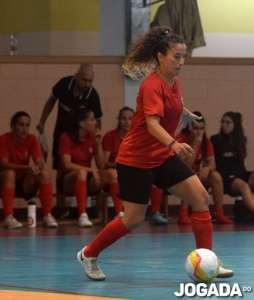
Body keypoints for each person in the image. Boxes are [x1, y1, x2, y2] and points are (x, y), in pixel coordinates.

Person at [76, 26, 233, 281]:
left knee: (201, 198)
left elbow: (172, 103)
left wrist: (184, 112)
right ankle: (88, 254)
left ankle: (207, 262)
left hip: (161, 157)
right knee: (133, 220)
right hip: (136, 160)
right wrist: (174, 144)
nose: (181, 62)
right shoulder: (151, 85)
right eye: (176, 56)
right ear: (160, 56)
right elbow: (152, 124)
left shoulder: (174, 81)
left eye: (184, 57)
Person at [36, 63, 103, 217]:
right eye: (84, 80)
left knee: (82, 169)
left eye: (90, 81)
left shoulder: (93, 95)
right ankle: (60, 207)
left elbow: (98, 120)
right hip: (62, 132)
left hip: (82, 136)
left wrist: (97, 136)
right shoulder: (64, 84)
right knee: (60, 167)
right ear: (76, 76)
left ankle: (88, 208)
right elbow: (50, 102)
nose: (87, 84)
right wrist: (42, 121)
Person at [101, 106, 168, 224]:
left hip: (136, 171)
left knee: (153, 176)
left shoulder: (141, 136)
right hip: (117, 171)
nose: (127, 122)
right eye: (123, 118)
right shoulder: (110, 136)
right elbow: (104, 163)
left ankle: (156, 212)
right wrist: (124, 165)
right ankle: (119, 213)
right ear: (119, 120)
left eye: (130, 118)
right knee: (113, 174)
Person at [0, 111, 58, 229]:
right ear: (13, 126)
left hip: (23, 182)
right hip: (2, 182)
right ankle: (8, 217)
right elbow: (3, 164)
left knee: (44, 174)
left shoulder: (32, 139)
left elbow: (40, 163)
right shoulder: (4, 139)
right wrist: (27, 167)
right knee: (10, 173)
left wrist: (35, 168)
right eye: (21, 125)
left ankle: (47, 216)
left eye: (27, 125)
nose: (24, 129)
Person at [177, 111, 233, 225]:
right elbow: (185, 166)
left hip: (196, 174)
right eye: (196, 128)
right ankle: (183, 214)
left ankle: (219, 213)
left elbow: (212, 163)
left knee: (215, 176)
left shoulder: (206, 141)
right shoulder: (181, 139)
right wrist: (196, 145)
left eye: (202, 129)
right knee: (188, 175)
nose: (199, 132)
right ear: (189, 127)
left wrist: (206, 169)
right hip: (179, 175)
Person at [57, 107, 105, 227]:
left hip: (86, 178)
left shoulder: (92, 137)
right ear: (82, 123)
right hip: (67, 179)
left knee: (111, 174)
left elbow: (101, 165)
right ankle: (82, 215)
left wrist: (98, 145)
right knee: (82, 173)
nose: (95, 122)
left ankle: (120, 214)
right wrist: (91, 170)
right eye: (92, 119)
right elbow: (67, 164)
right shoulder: (66, 137)